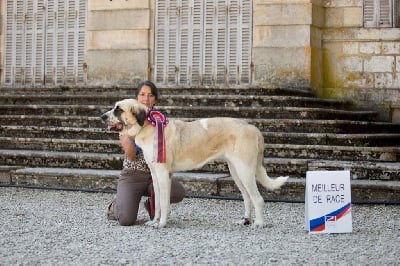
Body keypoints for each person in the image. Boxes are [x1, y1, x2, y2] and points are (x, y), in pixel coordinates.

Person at [107, 80, 186, 226]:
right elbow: (130, 155)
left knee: (177, 191)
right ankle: (116, 205)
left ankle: (152, 205)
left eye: (150, 95)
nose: (146, 99)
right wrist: (132, 135)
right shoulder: (126, 120)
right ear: (136, 98)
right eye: (142, 95)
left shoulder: (160, 121)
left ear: (155, 99)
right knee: (126, 219)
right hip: (133, 174)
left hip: (154, 175)